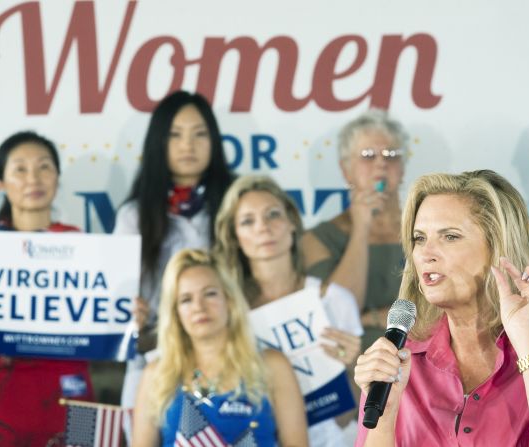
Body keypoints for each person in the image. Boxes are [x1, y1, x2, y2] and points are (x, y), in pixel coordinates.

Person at [354, 170, 529, 446]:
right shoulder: (399, 360)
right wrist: (386, 414)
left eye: (450, 236)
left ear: (498, 247)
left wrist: (525, 339)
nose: (426, 253)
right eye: (419, 238)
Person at [214, 174, 363, 447]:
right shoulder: (226, 311)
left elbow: (354, 411)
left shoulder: (334, 300)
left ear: (292, 223)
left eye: (273, 215)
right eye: (248, 221)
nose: (263, 228)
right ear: (235, 237)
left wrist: (352, 364)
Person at [114, 90, 235, 423]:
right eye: (175, 134)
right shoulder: (134, 215)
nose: (188, 145)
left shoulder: (236, 204)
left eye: (199, 134)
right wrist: (127, 312)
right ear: (158, 142)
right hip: (155, 357)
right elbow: (118, 301)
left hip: (229, 356)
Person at [0, 131, 94, 447]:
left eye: (44, 167)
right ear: (0, 181)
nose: (33, 179)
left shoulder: (84, 246)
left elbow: (106, 322)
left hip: (74, 393)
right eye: (20, 169)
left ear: (57, 176)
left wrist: (128, 314)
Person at [132, 249, 308, 446]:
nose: (199, 307)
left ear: (229, 300)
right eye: (186, 299)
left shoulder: (273, 366)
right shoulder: (156, 374)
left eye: (210, 294)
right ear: (175, 313)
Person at [301, 109, 408, 350]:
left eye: (391, 154)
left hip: (425, 363)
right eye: (368, 155)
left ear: (402, 168)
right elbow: (336, 318)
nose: (381, 163)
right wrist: (361, 228)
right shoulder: (318, 239)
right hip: (354, 368)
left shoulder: (424, 228)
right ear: (345, 169)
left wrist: (370, 318)